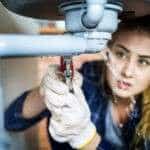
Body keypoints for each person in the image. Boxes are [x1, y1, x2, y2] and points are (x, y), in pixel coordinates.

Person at [4, 15, 150, 150]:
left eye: (143, 62)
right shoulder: (88, 77)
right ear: (108, 51)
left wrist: (86, 138)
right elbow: (11, 122)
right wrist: (45, 92)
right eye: (120, 54)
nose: (127, 72)